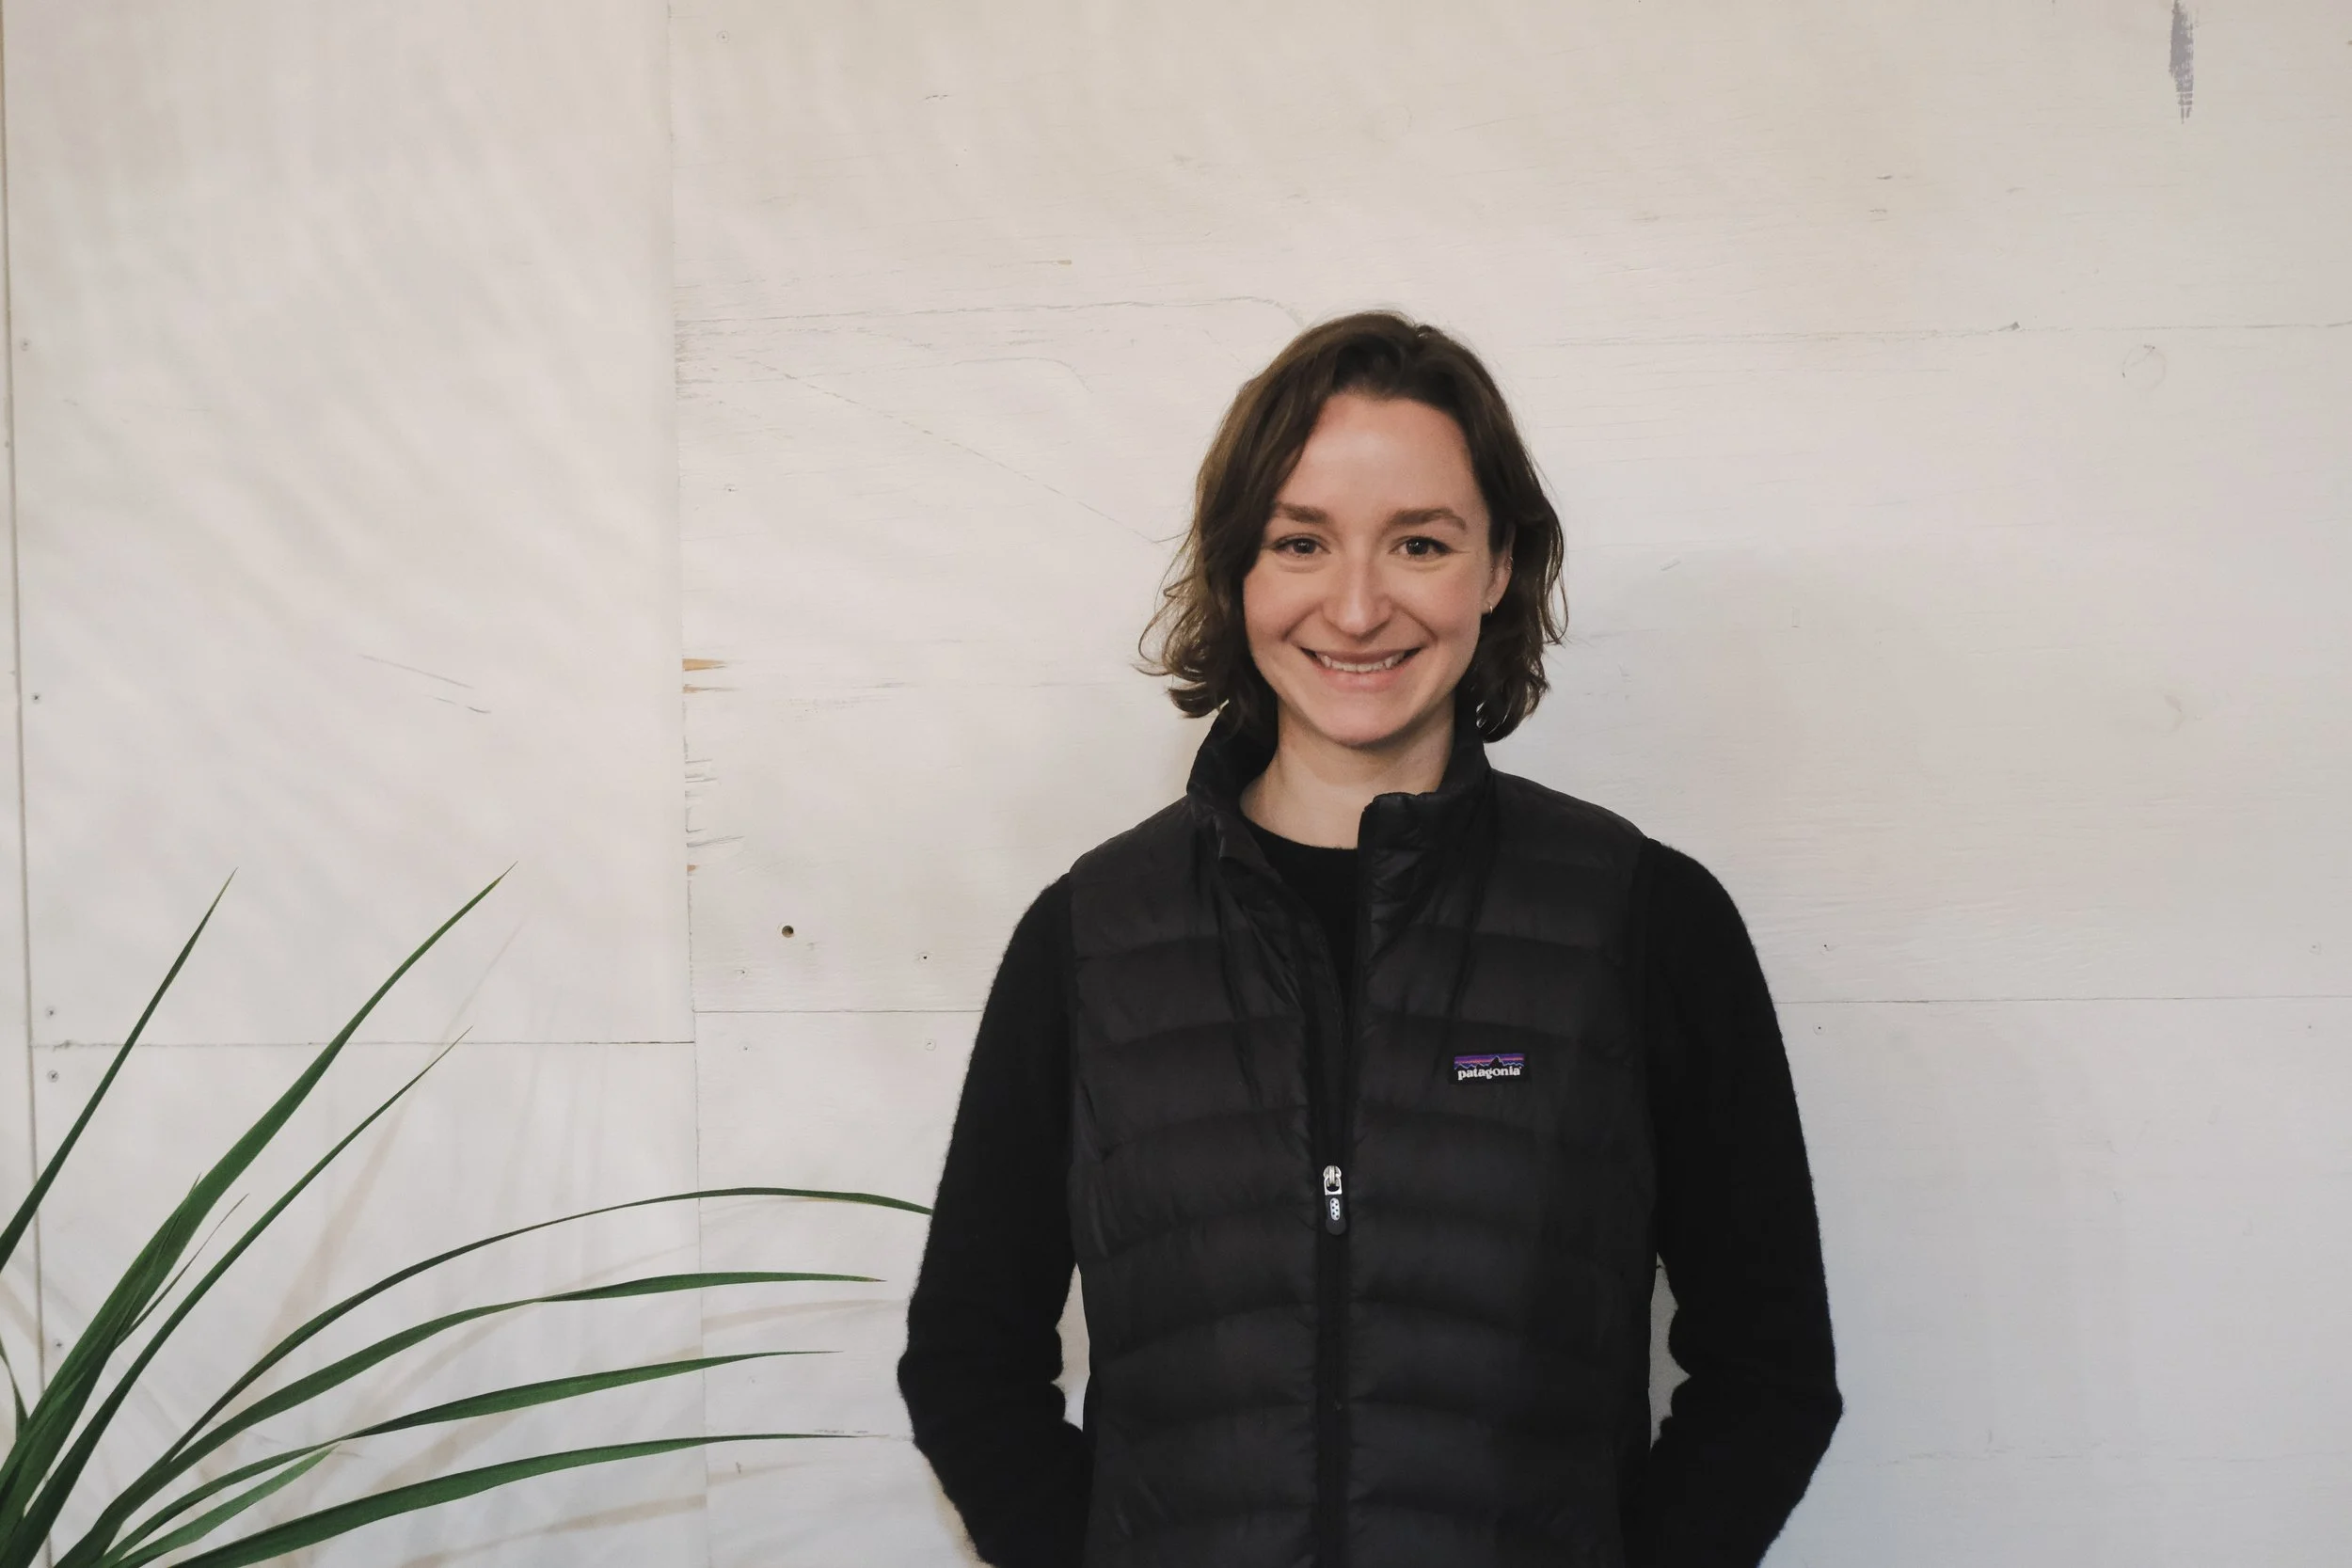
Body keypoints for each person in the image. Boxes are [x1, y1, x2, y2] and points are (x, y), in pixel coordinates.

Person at [898, 311, 1841, 1568]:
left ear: (1498, 565)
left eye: (1420, 541)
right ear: (1242, 573)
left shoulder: (1644, 920)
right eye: (1302, 542)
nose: (1356, 606)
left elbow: (1769, 1370)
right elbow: (969, 1361)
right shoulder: (1091, 934)